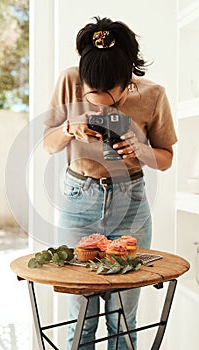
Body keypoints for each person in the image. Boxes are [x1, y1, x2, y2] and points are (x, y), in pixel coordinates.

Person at [43, 16, 177, 350]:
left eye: (111, 97)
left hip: (130, 202)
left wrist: (140, 150)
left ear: (127, 79)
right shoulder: (68, 81)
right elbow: (47, 143)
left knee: (121, 319)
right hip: (78, 199)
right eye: (92, 94)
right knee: (81, 316)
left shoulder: (153, 95)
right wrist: (68, 130)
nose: (100, 101)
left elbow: (166, 157)